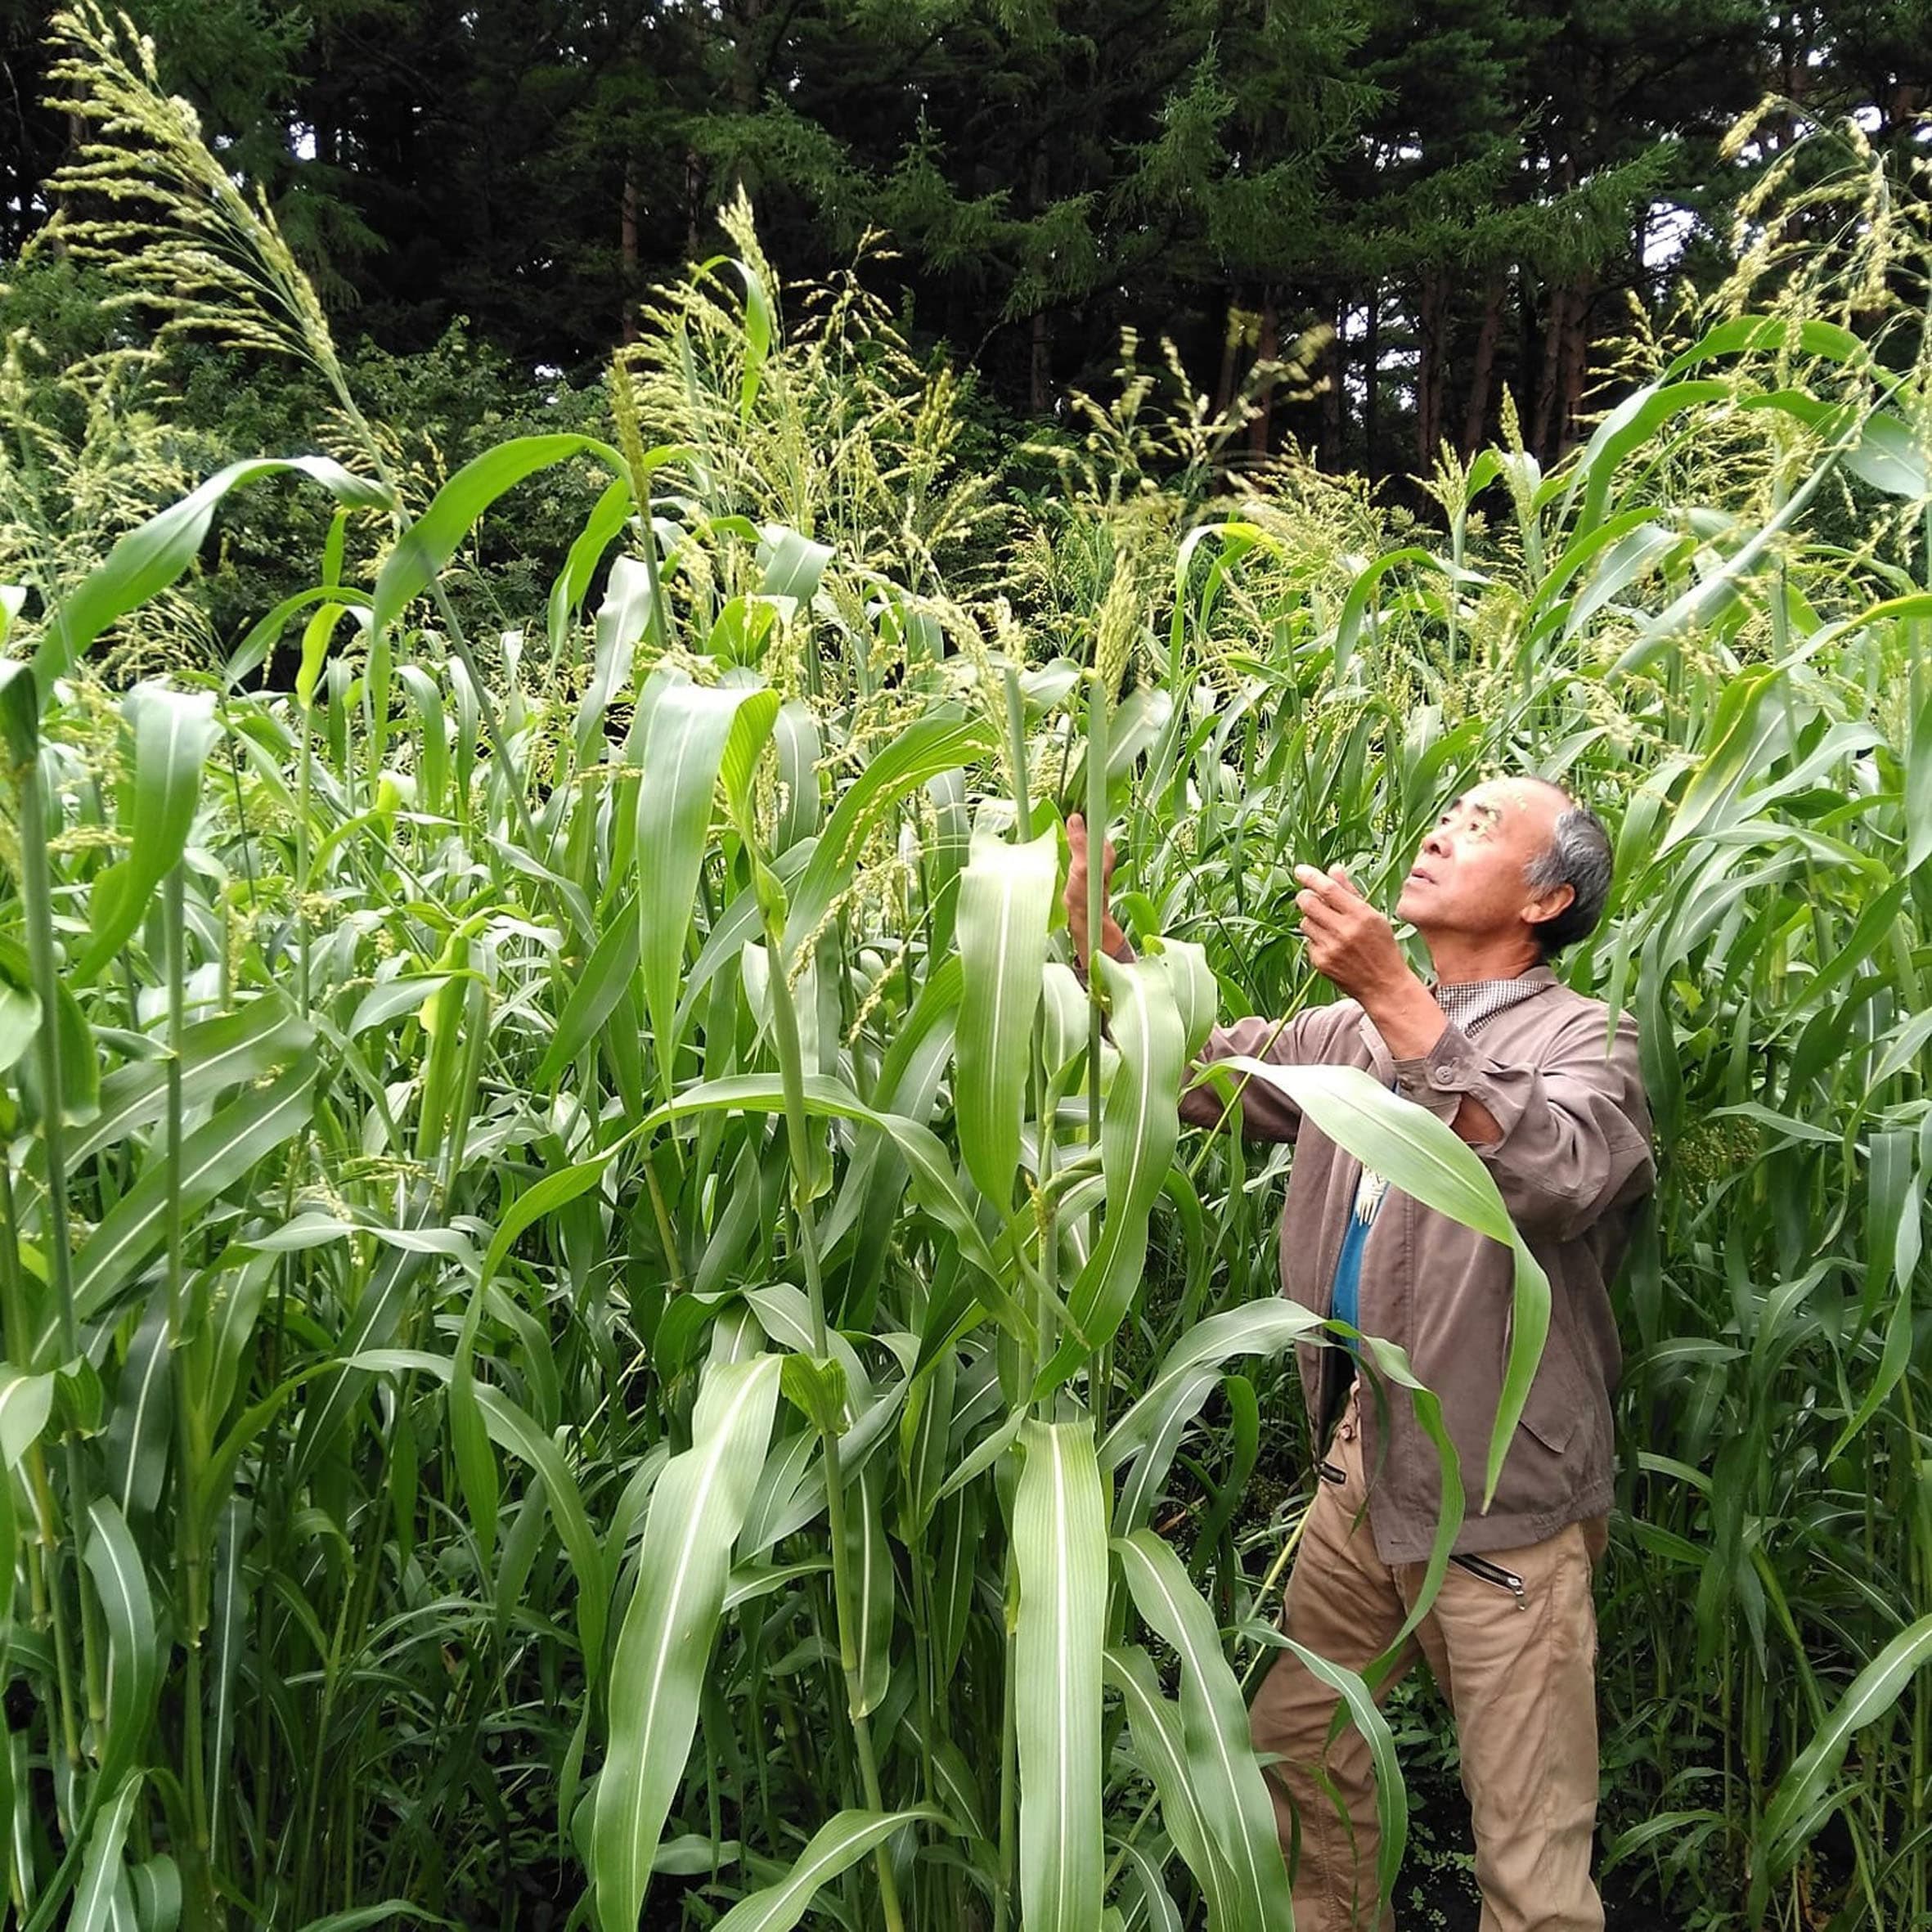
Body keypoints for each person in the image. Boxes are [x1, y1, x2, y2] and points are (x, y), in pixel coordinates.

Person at [1065, 776, 1654, 1932]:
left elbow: (1560, 1175)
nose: (1440, 828)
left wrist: (1391, 990)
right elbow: (1191, 1067)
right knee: (1298, 1745)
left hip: (1502, 1498)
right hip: (1360, 1466)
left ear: (1545, 898)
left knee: (1528, 1858)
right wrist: (1093, 942)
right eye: (1442, 812)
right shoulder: (1345, 1034)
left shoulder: (1586, 1036)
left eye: (1482, 825)